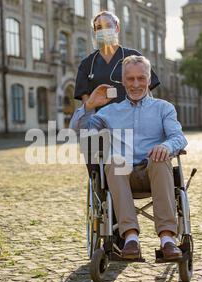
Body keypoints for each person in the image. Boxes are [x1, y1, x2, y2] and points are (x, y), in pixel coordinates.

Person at [70, 55, 188, 261]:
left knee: (160, 158)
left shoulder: (164, 108)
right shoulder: (109, 112)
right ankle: (130, 237)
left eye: (141, 78)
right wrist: (89, 106)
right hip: (122, 176)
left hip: (155, 172)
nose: (136, 84)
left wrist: (166, 146)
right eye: (130, 79)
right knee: (114, 161)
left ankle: (167, 239)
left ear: (149, 80)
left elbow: (178, 137)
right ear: (123, 81)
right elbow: (77, 131)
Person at [74, 11, 160, 110]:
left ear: (117, 28)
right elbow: (86, 105)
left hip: (133, 119)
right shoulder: (87, 64)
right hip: (101, 122)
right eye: (99, 27)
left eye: (108, 26)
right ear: (95, 32)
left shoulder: (133, 56)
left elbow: (147, 92)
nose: (104, 30)